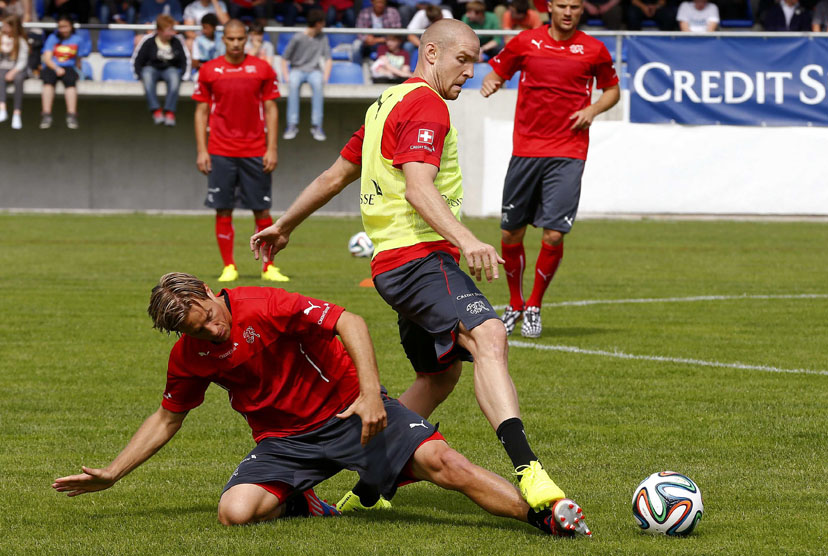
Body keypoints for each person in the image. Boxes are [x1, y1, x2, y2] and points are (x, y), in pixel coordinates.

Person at [250, 19, 591, 531]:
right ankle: (530, 471)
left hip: (393, 265)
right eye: (464, 60)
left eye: (476, 62)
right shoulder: (426, 104)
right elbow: (418, 188)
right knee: (490, 334)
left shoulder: (384, 103)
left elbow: (335, 175)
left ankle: (367, 490)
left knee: (438, 376)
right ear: (431, 53)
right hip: (419, 259)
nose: (471, 73)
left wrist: (285, 224)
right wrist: (468, 239)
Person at [52, 272, 588, 537]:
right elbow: (168, 416)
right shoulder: (191, 354)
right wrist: (114, 474)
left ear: (211, 293)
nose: (213, 331)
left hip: (350, 413)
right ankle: (302, 498)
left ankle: (544, 518)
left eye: (209, 318)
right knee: (234, 513)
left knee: (446, 465)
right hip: (283, 443)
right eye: (198, 331)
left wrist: (368, 395)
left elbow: (349, 321)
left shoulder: (263, 302)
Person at [480, 0, 619, 339]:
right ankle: (514, 302)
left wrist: (593, 109)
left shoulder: (594, 49)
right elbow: (498, 70)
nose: (568, 12)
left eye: (574, 6)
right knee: (511, 233)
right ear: (551, 8)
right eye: (562, 5)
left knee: (554, 233)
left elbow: (612, 90)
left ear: (581, 10)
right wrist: (492, 81)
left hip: (569, 151)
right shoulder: (526, 41)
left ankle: (534, 307)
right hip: (526, 149)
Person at [193, 19, 288, 283]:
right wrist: (202, 150)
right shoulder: (209, 70)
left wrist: (272, 148)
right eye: (230, 39)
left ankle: (268, 267)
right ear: (223, 39)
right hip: (220, 150)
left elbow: (271, 109)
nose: (235, 43)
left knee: (261, 210)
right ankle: (229, 266)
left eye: (240, 39)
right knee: (223, 209)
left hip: (255, 150)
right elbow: (200, 112)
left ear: (246, 40)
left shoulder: (262, 68)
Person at [281, 9, 332, 142]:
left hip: (314, 71)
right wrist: (286, 76)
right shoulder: (298, 37)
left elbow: (328, 59)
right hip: (297, 69)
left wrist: (325, 77)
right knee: (293, 83)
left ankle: (317, 125)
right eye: (323, 22)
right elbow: (284, 58)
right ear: (318, 23)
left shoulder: (323, 38)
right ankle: (291, 125)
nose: (324, 25)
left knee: (318, 84)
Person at [132, 14, 190, 126]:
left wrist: (184, 76)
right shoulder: (148, 41)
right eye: (169, 30)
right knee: (147, 73)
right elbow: (137, 60)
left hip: (169, 69)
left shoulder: (177, 41)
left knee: (174, 76)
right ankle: (156, 110)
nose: (173, 33)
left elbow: (185, 60)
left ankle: (169, 111)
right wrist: (139, 75)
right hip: (152, 69)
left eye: (173, 29)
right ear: (159, 30)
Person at [39, 15, 82, 130]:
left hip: (68, 68)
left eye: (65, 26)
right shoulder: (53, 38)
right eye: (60, 27)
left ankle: (72, 115)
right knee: (48, 82)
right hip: (52, 66)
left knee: (70, 82)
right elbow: (47, 58)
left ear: (71, 27)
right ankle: (46, 114)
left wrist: (80, 72)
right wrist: (56, 68)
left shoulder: (77, 40)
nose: (62, 29)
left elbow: (78, 59)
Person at [0, 14, 27, 130]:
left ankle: (17, 113)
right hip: (3, 68)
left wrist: (13, 72)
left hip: (18, 69)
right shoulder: (1, 39)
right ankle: (2, 108)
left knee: (19, 79)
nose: (4, 28)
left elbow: (22, 61)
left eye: (6, 26)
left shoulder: (21, 42)